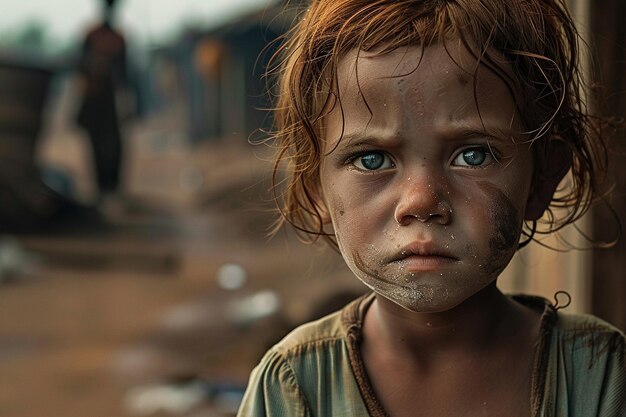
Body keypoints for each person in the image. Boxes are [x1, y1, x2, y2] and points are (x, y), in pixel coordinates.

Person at [238, 1, 626, 416]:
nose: (421, 201)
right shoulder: (294, 387)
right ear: (316, 188)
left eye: (474, 155)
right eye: (372, 159)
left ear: (543, 178)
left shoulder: (598, 373)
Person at [76, 0, 132, 206]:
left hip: (111, 102)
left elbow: (125, 74)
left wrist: (126, 101)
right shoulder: (91, 36)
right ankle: (100, 189)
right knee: (96, 146)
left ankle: (112, 188)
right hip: (93, 100)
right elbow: (79, 65)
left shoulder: (119, 39)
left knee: (114, 146)